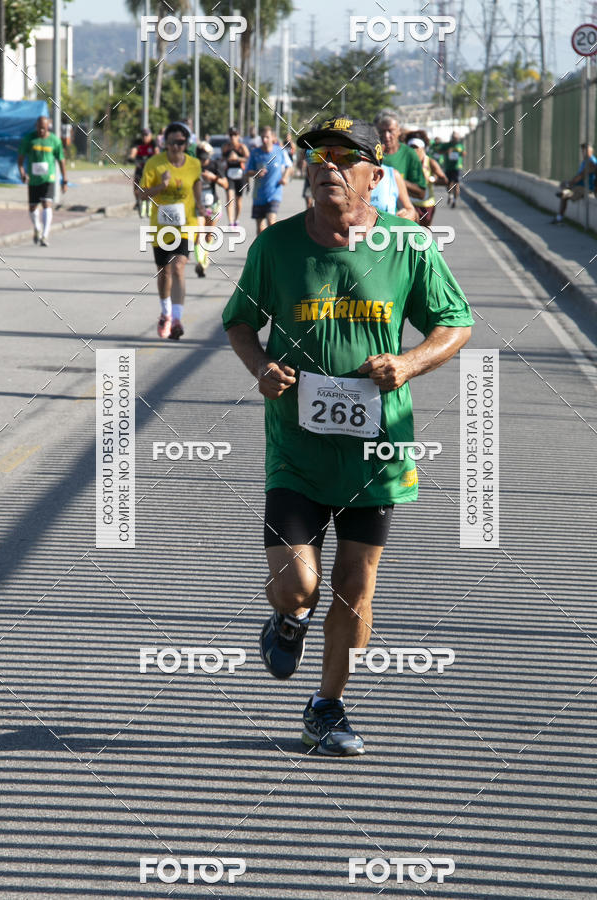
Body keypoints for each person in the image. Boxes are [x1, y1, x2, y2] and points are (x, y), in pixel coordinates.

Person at [222, 115, 473, 756]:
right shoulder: (275, 248)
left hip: (378, 452)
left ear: (375, 175)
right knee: (299, 584)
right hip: (298, 449)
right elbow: (241, 324)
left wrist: (410, 363)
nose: (326, 167)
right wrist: (262, 369)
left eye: (343, 158)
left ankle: (326, 707)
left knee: (357, 593)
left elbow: (455, 322)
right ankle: (288, 615)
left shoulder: (408, 246)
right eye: (318, 158)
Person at [139, 121, 203, 340]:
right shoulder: (154, 164)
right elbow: (140, 194)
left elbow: (196, 185)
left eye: (181, 142)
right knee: (164, 271)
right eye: (172, 142)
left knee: (178, 267)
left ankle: (177, 319)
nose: (176, 146)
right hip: (161, 227)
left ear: (186, 143)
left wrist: (201, 204)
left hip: (186, 225)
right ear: (165, 143)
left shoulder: (194, 164)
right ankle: (165, 314)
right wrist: (161, 187)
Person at [17, 115, 67, 247]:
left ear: (48, 127)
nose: (42, 131)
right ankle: (37, 228)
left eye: (44, 129)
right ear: (36, 127)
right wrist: (22, 173)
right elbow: (20, 159)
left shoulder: (54, 141)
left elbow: (61, 160)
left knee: (46, 204)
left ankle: (45, 235)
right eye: (40, 128)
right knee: (32, 208)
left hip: (48, 178)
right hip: (33, 180)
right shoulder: (29, 139)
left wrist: (64, 180)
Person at [244, 125, 292, 235]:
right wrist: (257, 173)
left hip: (274, 193)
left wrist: (284, 178)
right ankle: (262, 251)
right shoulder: (255, 153)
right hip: (259, 195)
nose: (264, 140)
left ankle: (273, 250)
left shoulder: (280, 151)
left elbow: (289, 166)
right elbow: (247, 171)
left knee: (271, 222)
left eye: (267, 137)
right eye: (262, 137)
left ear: (273, 138)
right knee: (260, 229)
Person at [192, 141, 229, 277]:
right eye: (200, 158)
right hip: (197, 205)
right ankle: (200, 263)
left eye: (205, 158)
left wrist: (213, 178)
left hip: (213, 205)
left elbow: (225, 184)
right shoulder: (192, 166)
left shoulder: (215, 165)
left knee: (208, 235)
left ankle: (205, 258)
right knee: (198, 233)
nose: (202, 161)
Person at [373, 111, 426, 200]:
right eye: (382, 131)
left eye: (390, 131)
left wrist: (394, 179)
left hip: (398, 212)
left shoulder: (409, 154)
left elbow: (421, 193)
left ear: (399, 131)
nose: (386, 136)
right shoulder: (370, 154)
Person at [406, 131, 447, 226]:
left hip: (426, 205)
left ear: (423, 148)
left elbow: (444, 180)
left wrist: (432, 179)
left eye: (416, 147)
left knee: (424, 236)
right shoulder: (406, 162)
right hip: (410, 204)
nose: (413, 150)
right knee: (410, 234)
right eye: (411, 147)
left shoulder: (430, 162)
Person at [551, 143, 597, 224]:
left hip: (586, 188)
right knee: (565, 192)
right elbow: (578, 175)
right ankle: (559, 216)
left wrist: (570, 183)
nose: (583, 153)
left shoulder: (592, 162)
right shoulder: (585, 161)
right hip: (579, 186)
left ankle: (564, 195)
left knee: (566, 194)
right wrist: (568, 182)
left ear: (591, 151)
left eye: (585, 151)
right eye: (582, 151)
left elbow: (581, 175)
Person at [221, 127, 250, 226]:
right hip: (229, 174)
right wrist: (226, 159)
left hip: (240, 174)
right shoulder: (226, 147)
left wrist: (237, 158)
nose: (233, 137)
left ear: (238, 136)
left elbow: (248, 159)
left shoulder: (242, 147)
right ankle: (230, 222)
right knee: (229, 197)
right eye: (231, 135)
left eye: (235, 135)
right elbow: (222, 159)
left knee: (238, 199)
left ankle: (236, 219)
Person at [128, 127, 159, 216]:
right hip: (140, 166)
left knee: (151, 185)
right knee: (136, 187)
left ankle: (152, 200)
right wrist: (131, 157)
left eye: (146, 135)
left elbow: (157, 152)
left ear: (150, 135)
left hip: (150, 168)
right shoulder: (137, 142)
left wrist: (156, 159)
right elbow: (134, 151)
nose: (144, 137)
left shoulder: (153, 143)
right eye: (143, 135)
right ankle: (138, 202)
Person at [442, 131, 466, 208]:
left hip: (457, 167)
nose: (455, 139)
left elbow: (464, 153)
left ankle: (454, 201)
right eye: (454, 138)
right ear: (451, 138)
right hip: (449, 167)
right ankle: (450, 196)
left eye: (456, 138)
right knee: (448, 184)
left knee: (456, 184)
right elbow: (440, 151)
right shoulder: (447, 145)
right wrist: (447, 152)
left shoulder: (460, 145)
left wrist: (462, 153)